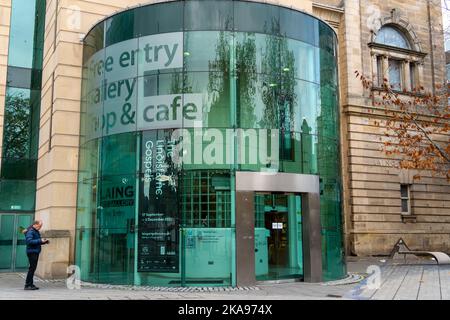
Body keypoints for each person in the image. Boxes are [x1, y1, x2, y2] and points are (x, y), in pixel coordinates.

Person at [24, 220, 49, 290]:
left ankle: (30, 284)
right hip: (32, 252)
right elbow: (29, 241)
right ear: (35, 224)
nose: (40, 227)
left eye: (41, 226)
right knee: (32, 269)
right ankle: (27, 285)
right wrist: (40, 240)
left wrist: (44, 242)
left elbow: (36, 242)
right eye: (39, 226)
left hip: (34, 251)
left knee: (32, 268)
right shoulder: (31, 231)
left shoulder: (35, 231)